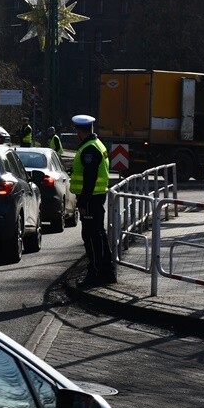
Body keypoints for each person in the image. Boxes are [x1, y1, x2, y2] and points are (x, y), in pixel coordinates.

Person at [70, 114, 116, 287]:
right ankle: (107, 272)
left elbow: (90, 179)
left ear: (79, 131)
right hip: (95, 197)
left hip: (90, 199)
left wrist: (82, 203)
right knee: (98, 235)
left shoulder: (89, 149)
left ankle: (95, 274)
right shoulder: (96, 144)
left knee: (91, 237)